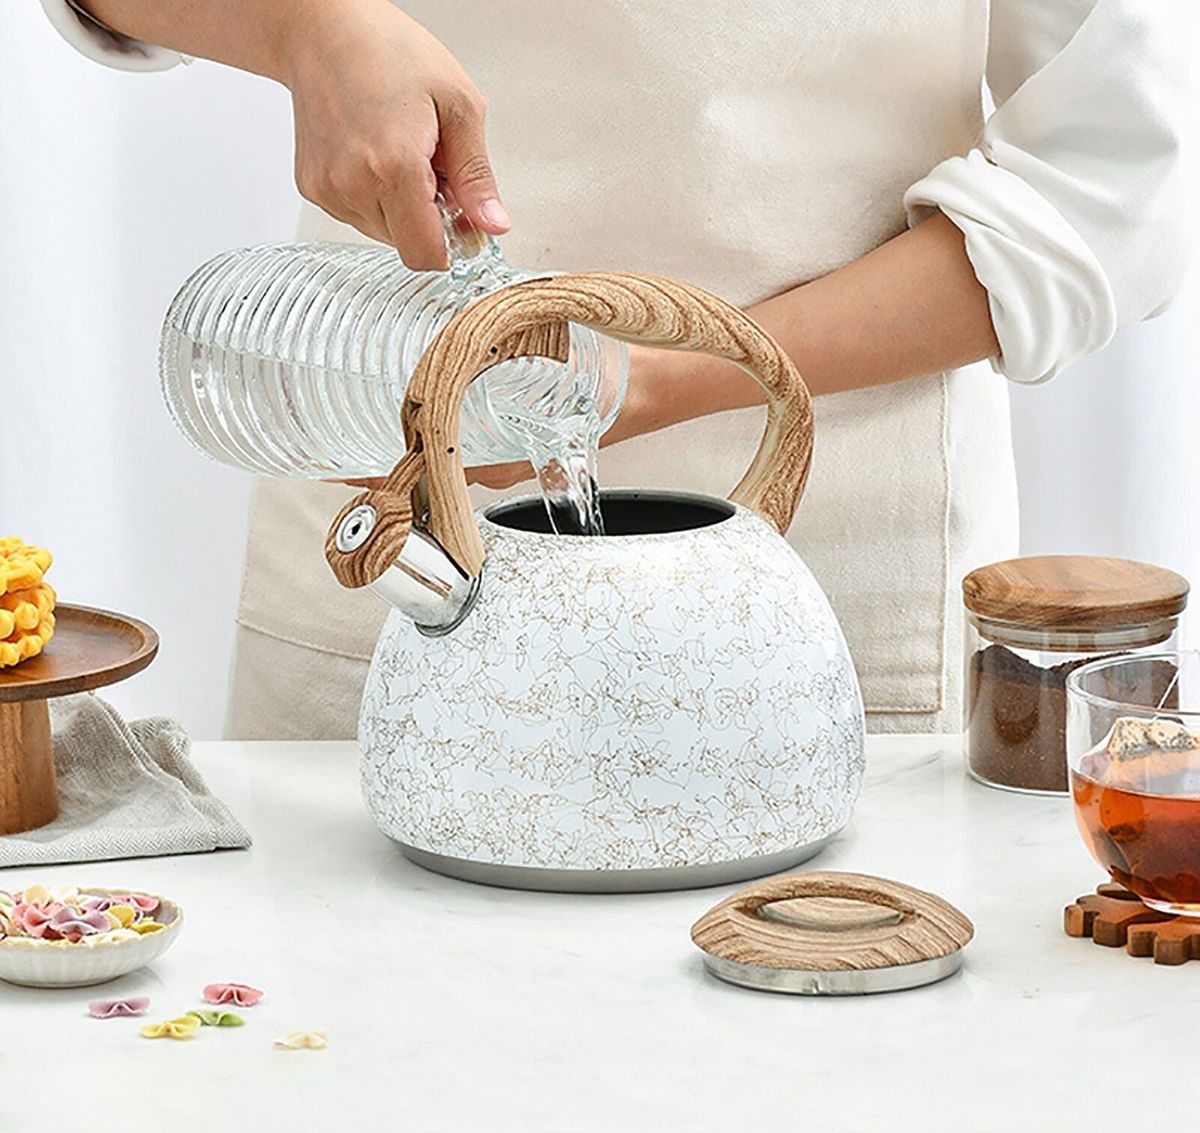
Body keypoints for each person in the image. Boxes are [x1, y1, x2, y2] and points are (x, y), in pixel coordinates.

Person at [41, 0, 1196, 735]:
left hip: (827, 588)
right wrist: (304, 26)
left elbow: (1108, 193)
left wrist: (657, 379)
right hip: (391, 513)